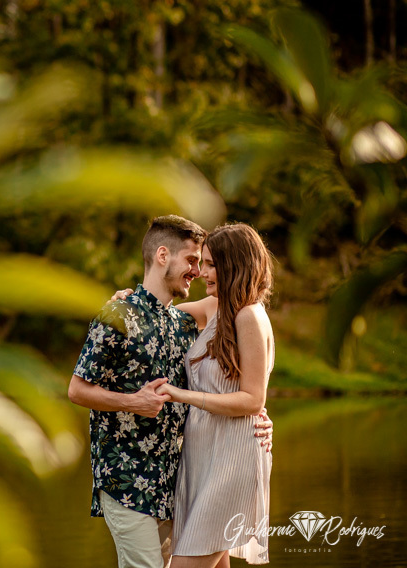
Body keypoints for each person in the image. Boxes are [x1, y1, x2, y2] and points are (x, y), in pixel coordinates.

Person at [67, 216, 272, 568]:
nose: (199, 271)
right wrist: (132, 401)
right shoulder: (124, 314)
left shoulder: (192, 321)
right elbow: (76, 389)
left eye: (207, 263)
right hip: (128, 478)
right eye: (194, 261)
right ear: (163, 255)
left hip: (180, 476)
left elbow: (250, 387)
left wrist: (256, 416)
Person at [154, 223, 275, 567]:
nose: (200, 271)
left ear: (233, 265)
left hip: (232, 457)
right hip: (202, 455)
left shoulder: (250, 316)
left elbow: (253, 400)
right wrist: (125, 299)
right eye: (201, 263)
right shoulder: (214, 307)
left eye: (209, 264)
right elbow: (155, 318)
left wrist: (182, 395)